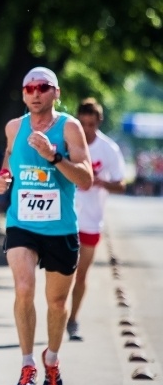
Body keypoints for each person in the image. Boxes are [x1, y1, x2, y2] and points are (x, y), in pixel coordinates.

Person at [0, 66, 92, 385]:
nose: (35, 93)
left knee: (56, 303)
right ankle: (27, 364)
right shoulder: (14, 127)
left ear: (56, 92)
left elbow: (85, 179)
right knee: (23, 289)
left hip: (60, 227)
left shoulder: (70, 127)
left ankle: (51, 359)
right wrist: (3, 178)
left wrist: (54, 156)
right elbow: (9, 160)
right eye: (29, 88)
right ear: (23, 94)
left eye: (43, 87)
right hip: (22, 223)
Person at [68, 98, 125, 341]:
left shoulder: (108, 149)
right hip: (66, 217)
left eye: (91, 124)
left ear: (98, 122)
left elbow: (121, 184)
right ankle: (58, 315)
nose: (86, 129)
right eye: (82, 123)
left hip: (92, 219)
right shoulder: (67, 142)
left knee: (81, 275)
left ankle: (72, 319)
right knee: (62, 273)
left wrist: (102, 182)